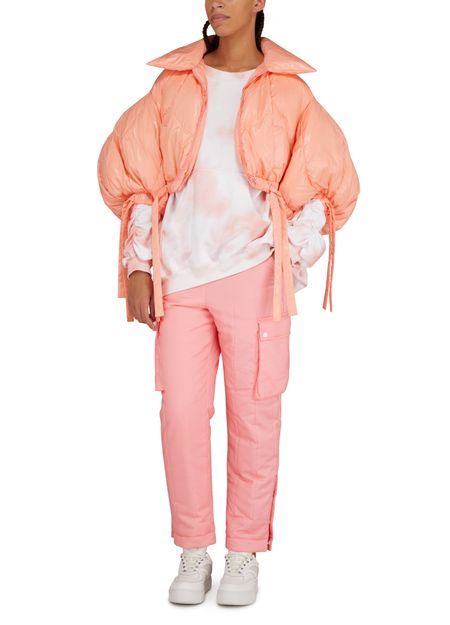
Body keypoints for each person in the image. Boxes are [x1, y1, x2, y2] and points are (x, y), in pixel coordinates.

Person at [97, 0, 360, 607]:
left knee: (255, 415)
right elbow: (139, 174)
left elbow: (326, 184)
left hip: (254, 277)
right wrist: (138, 264)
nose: (219, 1)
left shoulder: (289, 93)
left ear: (260, 1)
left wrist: (285, 262)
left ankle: (243, 552)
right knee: (181, 416)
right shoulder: (173, 85)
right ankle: (193, 548)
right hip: (181, 277)